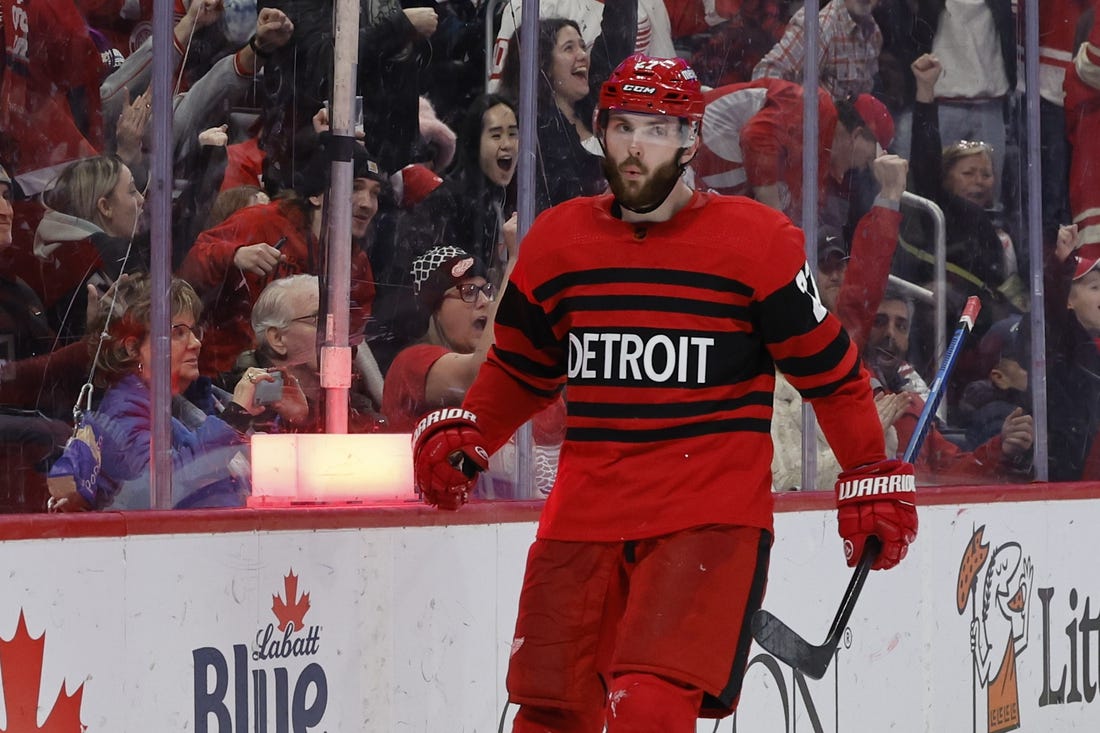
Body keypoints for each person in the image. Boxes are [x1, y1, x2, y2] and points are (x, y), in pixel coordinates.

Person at [412, 55, 917, 731]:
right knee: (548, 714)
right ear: (600, 132)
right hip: (582, 518)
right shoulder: (558, 242)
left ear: (689, 140)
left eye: (655, 129)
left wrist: (868, 471)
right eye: (622, 127)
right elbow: (522, 368)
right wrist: (471, 430)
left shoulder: (757, 243)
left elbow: (830, 371)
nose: (635, 146)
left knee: (649, 709)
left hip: (705, 519)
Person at [45, 274, 307, 511]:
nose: (195, 343)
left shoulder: (202, 402)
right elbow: (165, 488)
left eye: (193, 331)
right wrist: (235, 417)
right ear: (132, 348)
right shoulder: (119, 417)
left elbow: (260, 477)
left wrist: (291, 421)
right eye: (178, 333)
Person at [178, 137, 383, 376]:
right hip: (222, 376)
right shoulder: (261, 222)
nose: (368, 204)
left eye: (375, 193)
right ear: (316, 196)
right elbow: (186, 271)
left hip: (305, 385)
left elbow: (351, 340)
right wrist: (233, 255)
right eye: (355, 187)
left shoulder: (356, 265)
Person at [690, 77, 893, 226]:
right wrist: (778, 226)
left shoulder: (818, 159)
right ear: (856, 136)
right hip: (684, 165)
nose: (858, 168)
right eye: (866, 159)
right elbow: (756, 137)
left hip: (697, 191)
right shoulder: (816, 108)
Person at [499, 15, 635, 212]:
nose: (582, 55)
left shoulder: (593, 109)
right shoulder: (532, 129)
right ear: (542, 63)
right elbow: (566, 199)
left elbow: (617, 39)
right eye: (569, 48)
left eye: (582, 46)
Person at [224, 274, 382, 433]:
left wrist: (306, 420)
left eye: (340, 320)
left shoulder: (352, 401)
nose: (339, 332)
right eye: (319, 320)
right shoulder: (236, 406)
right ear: (277, 338)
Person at [28, 155, 149, 343]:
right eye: (132, 191)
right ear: (105, 206)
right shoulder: (115, 256)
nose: (141, 199)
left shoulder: (62, 257)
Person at [752, 0, 883, 100]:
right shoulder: (821, 26)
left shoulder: (873, 34)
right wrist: (792, 117)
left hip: (841, 133)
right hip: (808, 131)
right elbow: (766, 73)